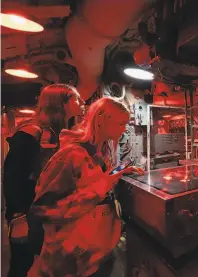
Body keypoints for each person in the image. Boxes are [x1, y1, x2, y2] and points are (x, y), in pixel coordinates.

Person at [27, 97, 144, 277]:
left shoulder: (101, 152)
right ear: (102, 121)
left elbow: (94, 181)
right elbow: (44, 209)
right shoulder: (70, 155)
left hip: (99, 254)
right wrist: (104, 185)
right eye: (121, 123)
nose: (124, 129)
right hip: (73, 264)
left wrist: (119, 173)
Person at [3, 84, 84, 277]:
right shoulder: (30, 133)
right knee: (25, 266)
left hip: (46, 213)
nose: (81, 102)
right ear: (59, 103)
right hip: (29, 213)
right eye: (76, 98)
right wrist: (18, 217)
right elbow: (12, 178)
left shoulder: (58, 132)